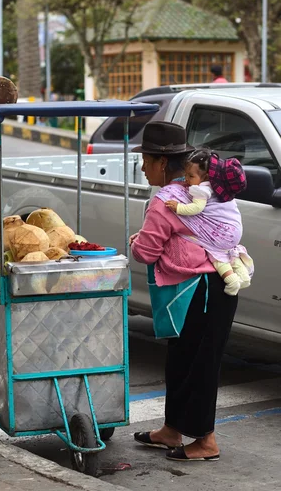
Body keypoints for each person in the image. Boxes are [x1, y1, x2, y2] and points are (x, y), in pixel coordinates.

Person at [129, 121, 238, 462]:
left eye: (146, 161)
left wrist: (135, 242)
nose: (143, 168)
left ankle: (206, 441)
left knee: (199, 365)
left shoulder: (166, 201)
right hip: (207, 288)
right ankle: (172, 429)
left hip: (202, 290)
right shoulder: (199, 190)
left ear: (162, 162)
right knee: (180, 360)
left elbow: (146, 252)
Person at [164, 149, 253, 296]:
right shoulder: (219, 188)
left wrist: (178, 207)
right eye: (185, 174)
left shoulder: (201, 190)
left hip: (222, 234)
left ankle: (232, 280)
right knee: (228, 252)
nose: (186, 179)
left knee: (214, 255)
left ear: (205, 176)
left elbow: (196, 208)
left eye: (191, 176)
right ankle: (243, 275)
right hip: (234, 231)